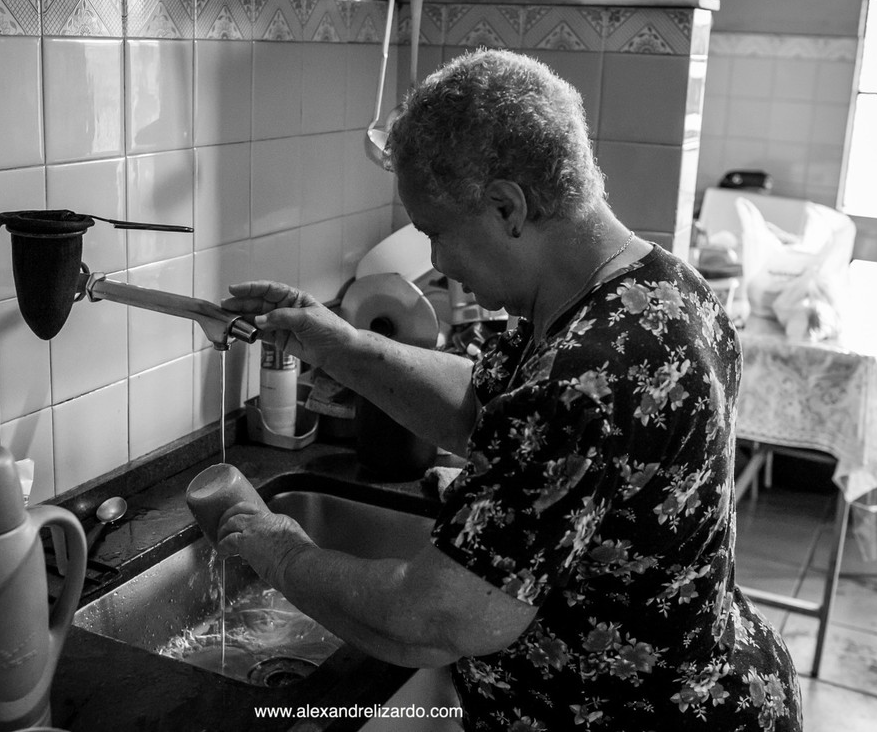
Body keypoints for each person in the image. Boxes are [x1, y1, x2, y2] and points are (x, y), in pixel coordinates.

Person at [218, 48, 801, 731]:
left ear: (507, 206)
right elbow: (492, 403)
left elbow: (428, 618)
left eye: (436, 232)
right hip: (724, 682)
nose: (435, 260)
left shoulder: (582, 380)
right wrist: (341, 346)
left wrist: (276, 545)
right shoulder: (659, 289)